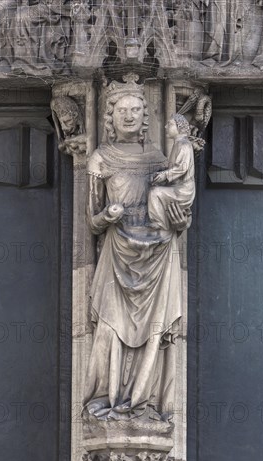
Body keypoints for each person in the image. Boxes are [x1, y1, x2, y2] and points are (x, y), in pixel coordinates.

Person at [83, 74, 190, 422]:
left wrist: (180, 220)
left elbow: (178, 212)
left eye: (135, 109)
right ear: (109, 116)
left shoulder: (160, 159)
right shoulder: (101, 158)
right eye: (121, 109)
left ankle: (145, 403)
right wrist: (108, 216)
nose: (128, 115)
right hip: (117, 255)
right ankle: (110, 399)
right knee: (109, 331)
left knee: (155, 334)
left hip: (158, 256)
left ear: (145, 115)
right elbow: (91, 221)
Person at [148, 114, 196, 231]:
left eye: (169, 124)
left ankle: (159, 225)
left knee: (155, 193)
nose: (165, 127)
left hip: (183, 190)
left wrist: (165, 175)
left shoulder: (184, 144)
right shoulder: (178, 144)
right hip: (177, 187)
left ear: (179, 127)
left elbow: (182, 168)